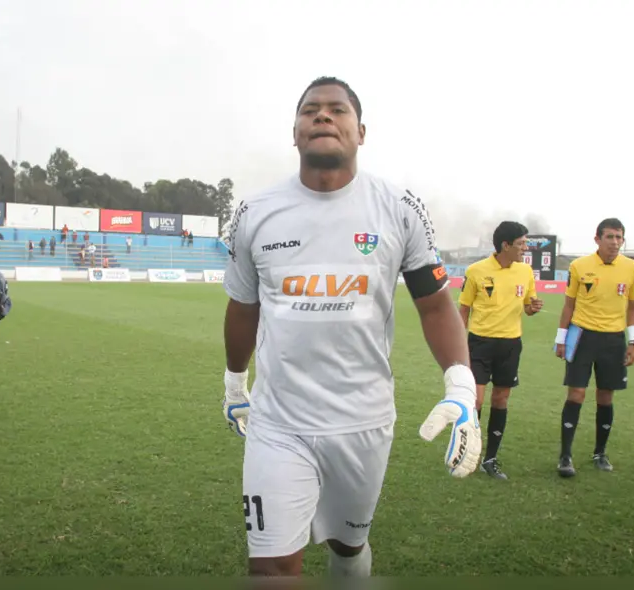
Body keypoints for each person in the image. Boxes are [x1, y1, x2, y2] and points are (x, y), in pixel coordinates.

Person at [220, 76, 482, 578]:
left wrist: (462, 385)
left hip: (363, 421)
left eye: (337, 110)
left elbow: (434, 305)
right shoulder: (256, 212)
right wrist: (235, 384)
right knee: (271, 566)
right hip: (278, 423)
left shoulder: (399, 207)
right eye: (310, 110)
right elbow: (243, 307)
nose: (322, 116)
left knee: (346, 548)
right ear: (294, 132)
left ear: (361, 132)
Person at [553, 218, 634, 477]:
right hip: (582, 337)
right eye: (610, 237)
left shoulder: (632, 268)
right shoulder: (579, 266)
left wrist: (633, 341)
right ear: (597, 239)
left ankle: (600, 453)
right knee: (576, 394)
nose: (615, 242)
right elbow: (568, 304)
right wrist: (560, 339)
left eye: (619, 237)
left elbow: (633, 307)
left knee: (606, 396)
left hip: (614, 340)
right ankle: (565, 456)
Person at [458, 221, 542, 480]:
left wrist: (532, 307)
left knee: (501, 400)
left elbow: (528, 306)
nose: (525, 248)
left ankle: (490, 459)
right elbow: (464, 309)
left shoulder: (525, 272)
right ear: (505, 245)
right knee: (476, 401)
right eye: (521, 243)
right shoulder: (476, 271)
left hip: (510, 344)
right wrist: (459, 345)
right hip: (480, 343)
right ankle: (467, 453)